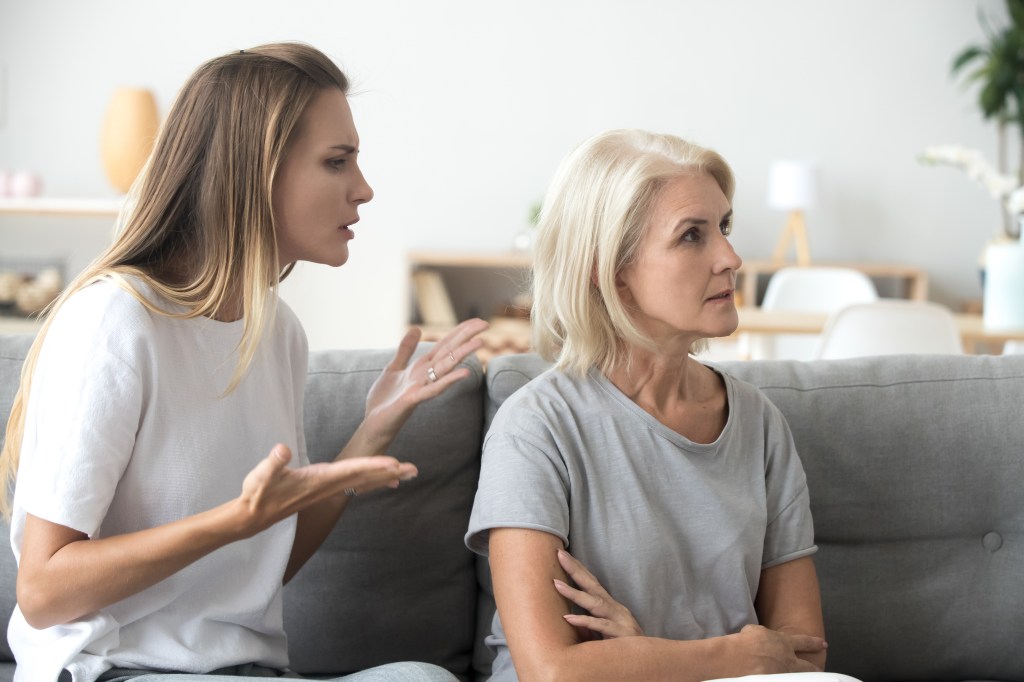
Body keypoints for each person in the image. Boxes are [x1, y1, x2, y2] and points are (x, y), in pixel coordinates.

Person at [0, 42, 486, 682]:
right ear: (253, 171)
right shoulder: (114, 322)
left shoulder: (277, 332)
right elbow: (42, 590)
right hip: (111, 670)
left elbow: (261, 567)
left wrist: (374, 429)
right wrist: (231, 521)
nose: (363, 190)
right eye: (337, 162)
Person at [465, 129, 828, 682]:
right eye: (692, 236)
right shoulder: (536, 429)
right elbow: (552, 672)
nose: (730, 258)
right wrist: (733, 655)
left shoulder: (759, 424)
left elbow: (804, 658)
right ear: (609, 269)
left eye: (724, 228)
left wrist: (642, 655)